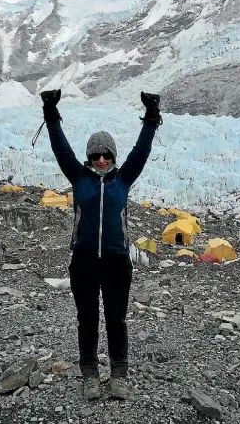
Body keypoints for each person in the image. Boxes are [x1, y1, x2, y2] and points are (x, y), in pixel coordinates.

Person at [40, 89, 162, 401]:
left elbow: (142, 150)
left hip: (117, 261)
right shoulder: (79, 177)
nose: (102, 159)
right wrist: (51, 111)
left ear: (114, 156)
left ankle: (118, 374)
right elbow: (60, 147)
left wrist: (151, 115)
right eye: (96, 155)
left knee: (116, 319)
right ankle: (90, 374)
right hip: (83, 261)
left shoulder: (123, 179)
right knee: (87, 319)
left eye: (107, 154)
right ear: (89, 157)